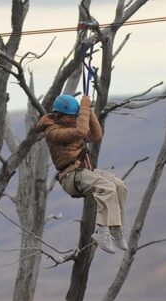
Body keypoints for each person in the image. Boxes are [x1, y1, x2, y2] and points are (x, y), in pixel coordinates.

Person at [37, 94, 128, 254]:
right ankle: (102, 232)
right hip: (71, 177)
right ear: (59, 115)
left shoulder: (71, 126)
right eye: (71, 117)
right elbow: (81, 131)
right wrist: (84, 108)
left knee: (119, 186)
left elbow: (96, 135)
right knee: (107, 187)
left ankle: (116, 227)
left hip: (84, 172)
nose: (74, 120)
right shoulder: (53, 132)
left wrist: (88, 111)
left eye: (75, 116)